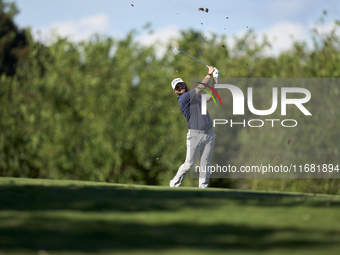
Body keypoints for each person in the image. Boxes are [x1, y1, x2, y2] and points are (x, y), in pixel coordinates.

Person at [169, 66, 219, 188]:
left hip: (209, 134)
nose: (180, 87)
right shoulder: (183, 98)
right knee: (189, 164)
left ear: (184, 84)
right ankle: (174, 184)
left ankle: (203, 188)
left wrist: (216, 78)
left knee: (205, 163)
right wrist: (209, 74)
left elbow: (213, 96)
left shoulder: (195, 98)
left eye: (181, 84)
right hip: (195, 134)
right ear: (175, 91)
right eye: (177, 87)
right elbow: (201, 87)